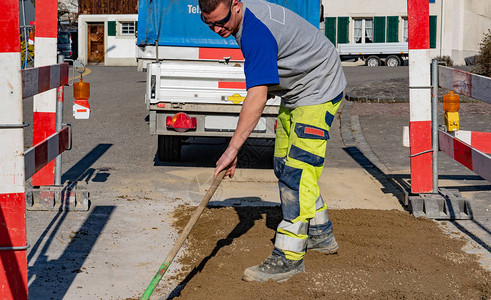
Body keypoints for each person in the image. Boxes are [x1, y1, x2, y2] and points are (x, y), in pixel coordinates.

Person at [200, 0, 346, 282]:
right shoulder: (240, 21)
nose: (218, 29)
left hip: (319, 88)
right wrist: (237, 146)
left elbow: (257, 95)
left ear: (236, 5)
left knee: (298, 172)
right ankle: (320, 233)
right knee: (283, 162)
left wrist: (232, 149)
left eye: (222, 21)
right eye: (210, 23)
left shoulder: (256, 32)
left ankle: (289, 257)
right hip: (297, 92)